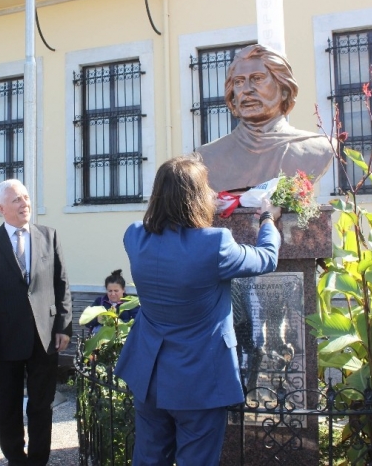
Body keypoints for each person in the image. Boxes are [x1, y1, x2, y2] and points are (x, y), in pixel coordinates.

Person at [114, 154, 281, 466]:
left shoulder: (135, 236)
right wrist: (267, 219)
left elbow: (170, 227)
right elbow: (266, 258)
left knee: (149, 458)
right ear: (197, 198)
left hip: (149, 372)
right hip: (199, 379)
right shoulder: (215, 244)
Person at [0, 179, 72, 466]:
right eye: (16, 200)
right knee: (8, 407)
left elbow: (62, 283)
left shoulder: (48, 236)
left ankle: (39, 460)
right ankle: (16, 458)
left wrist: (63, 326)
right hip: (5, 342)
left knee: (42, 405)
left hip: (44, 338)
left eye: (26, 198)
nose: (24, 203)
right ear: (0, 208)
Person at [196, 44, 334, 192]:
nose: (247, 89)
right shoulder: (206, 157)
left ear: (284, 90)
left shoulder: (318, 148)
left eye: (257, 79)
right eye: (239, 82)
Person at [86, 269, 139, 335]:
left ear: (123, 290)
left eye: (116, 291)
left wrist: (117, 322)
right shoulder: (99, 302)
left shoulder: (131, 303)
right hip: (101, 340)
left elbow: (137, 322)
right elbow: (86, 322)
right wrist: (97, 320)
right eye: (110, 291)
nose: (113, 294)